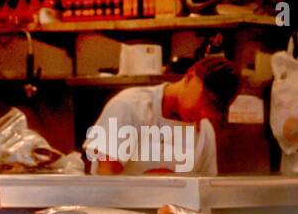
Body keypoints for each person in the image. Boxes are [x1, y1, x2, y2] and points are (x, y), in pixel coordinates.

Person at [84, 56, 239, 175]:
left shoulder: (205, 130)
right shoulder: (130, 106)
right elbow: (105, 177)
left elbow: (205, 192)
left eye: (214, 108)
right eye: (206, 100)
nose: (205, 113)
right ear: (190, 77)